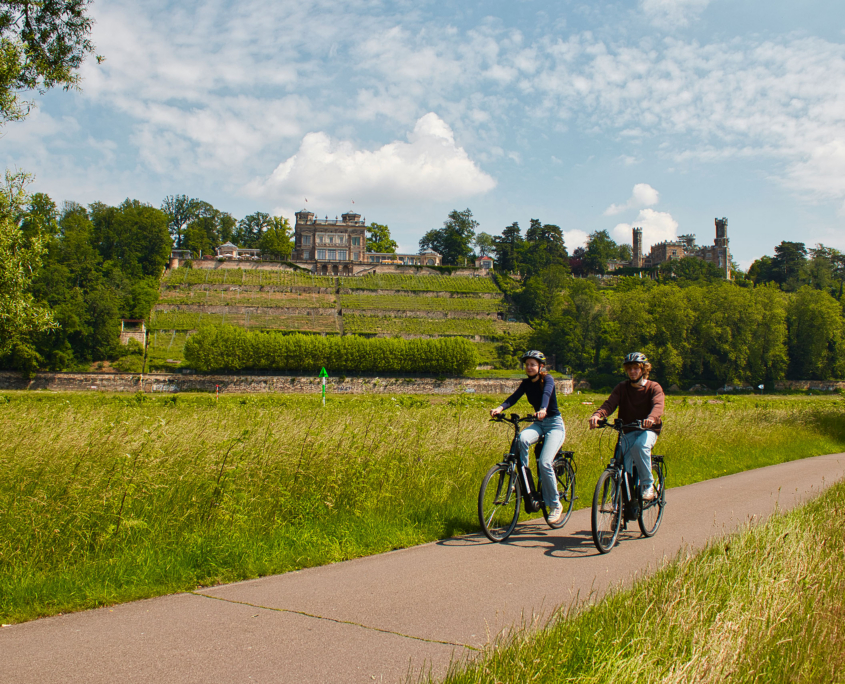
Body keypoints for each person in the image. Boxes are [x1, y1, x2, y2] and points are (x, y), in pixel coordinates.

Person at [490, 350, 566, 524]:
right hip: (538, 424)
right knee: (521, 439)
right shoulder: (525, 383)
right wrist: (500, 408)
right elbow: (513, 398)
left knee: (546, 462)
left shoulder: (547, 379)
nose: (529, 367)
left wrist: (543, 409)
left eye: (533, 364)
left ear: (540, 367)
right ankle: (525, 478)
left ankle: (555, 504)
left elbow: (546, 394)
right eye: (527, 364)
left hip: (554, 424)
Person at [588, 352, 664, 500]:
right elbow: (610, 404)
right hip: (627, 430)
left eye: (636, 368)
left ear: (643, 370)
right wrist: (598, 415)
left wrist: (651, 418)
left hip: (647, 429)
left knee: (640, 447)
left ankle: (648, 485)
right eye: (629, 369)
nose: (632, 371)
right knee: (620, 460)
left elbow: (658, 405)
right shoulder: (622, 387)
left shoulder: (653, 387)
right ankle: (623, 500)